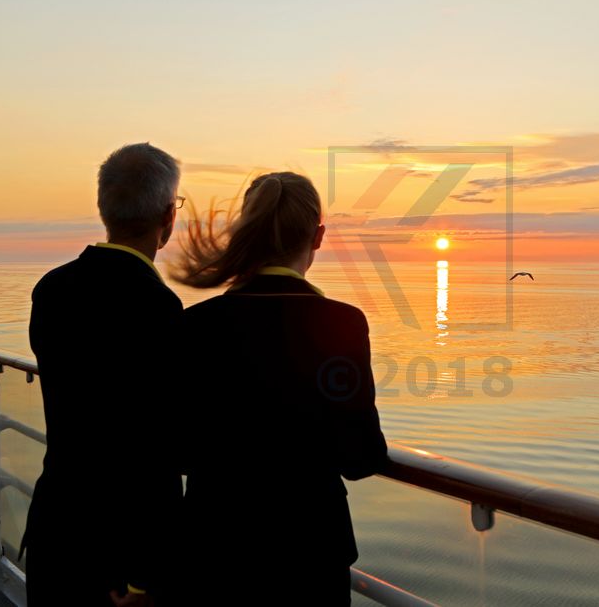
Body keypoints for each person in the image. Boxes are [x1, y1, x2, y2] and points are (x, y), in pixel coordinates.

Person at [172, 171, 389, 605]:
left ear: (246, 232)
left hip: (215, 550)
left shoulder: (197, 324)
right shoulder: (342, 323)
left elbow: (177, 449)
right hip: (309, 553)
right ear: (319, 236)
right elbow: (361, 457)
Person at [21, 143, 185, 606]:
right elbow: (155, 450)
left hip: (56, 530)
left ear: (103, 209)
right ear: (167, 217)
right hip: (120, 557)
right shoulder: (158, 308)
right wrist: (146, 575)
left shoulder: (51, 289)